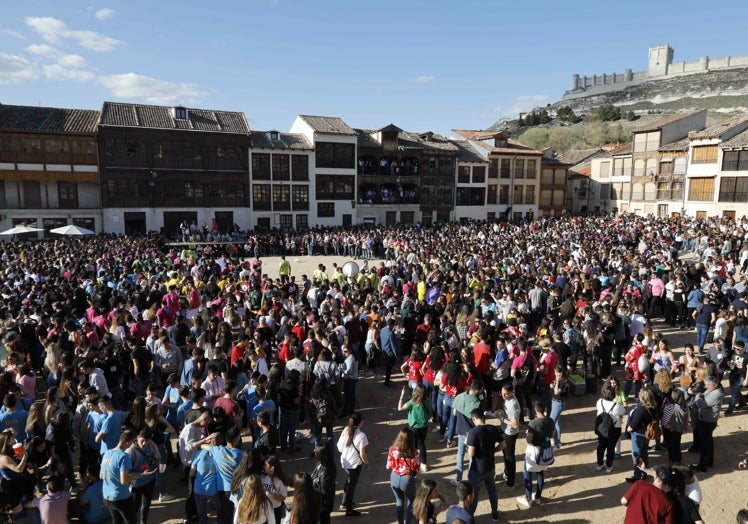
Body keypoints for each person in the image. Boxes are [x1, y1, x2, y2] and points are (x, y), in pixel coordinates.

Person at [102, 430, 154, 524]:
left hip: (107, 497)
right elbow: (124, 480)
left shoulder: (107, 453)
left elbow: (101, 475)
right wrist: (141, 475)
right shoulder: (123, 456)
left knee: (117, 521)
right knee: (131, 521)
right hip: (121, 497)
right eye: (132, 442)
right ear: (127, 442)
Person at [466, 409, 504, 521]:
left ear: (474, 419)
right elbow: (503, 444)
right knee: (492, 490)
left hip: (476, 469)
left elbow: (471, 453)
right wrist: (494, 450)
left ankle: (470, 516)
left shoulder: (473, 433)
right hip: (490, 466)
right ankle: (495, 513)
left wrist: (467, 444)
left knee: (474, 494)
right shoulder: (493, 429)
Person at [518, 400, 554, 508]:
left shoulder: (533, 423)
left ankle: (528, 498)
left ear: (535, 410)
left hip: (533, 451)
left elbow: (529, 440)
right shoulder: (550, 421)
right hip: (544, 450)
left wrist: (526, 434)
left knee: (527, 473)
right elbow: (552, 435)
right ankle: (538, 497)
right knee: (540, 473)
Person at [336, 412, 369, 517]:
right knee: (351, 486)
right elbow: (363, 454)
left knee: (349, 481)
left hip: (345, 462)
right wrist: (367, 463)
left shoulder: (346, 430)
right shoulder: (361, 436)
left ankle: (345, 502)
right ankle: (349, 509)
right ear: (360, 423)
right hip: (354, 465)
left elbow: (339, 447)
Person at [126, 428, 161, 524]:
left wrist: (154, 464)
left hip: (149, 480)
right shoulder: (130, 451)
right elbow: (127, 473)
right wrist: (141, 475)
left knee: (146, 505)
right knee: (135, 507)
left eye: (147, 441)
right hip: (136, 484)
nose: (144, 443)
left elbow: (158, 459)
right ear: (137, 437)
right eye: (142, 441)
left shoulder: (152, 445)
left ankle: (143, 521)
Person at [386, 427, 421, 524]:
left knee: (399, 501)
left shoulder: (392, 450)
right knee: (411, 501)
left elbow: (388, 465)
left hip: (394, 477)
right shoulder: (414, 453)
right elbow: (417, 468)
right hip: (406, 479)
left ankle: (400, 522)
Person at [691, 375, 724, 472]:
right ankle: (709, 462)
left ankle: (702, 466)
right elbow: (704, 398)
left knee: (704, 444)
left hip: (707, 421)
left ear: (714, 385)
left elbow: (701, 403)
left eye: (708, 385)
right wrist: (702, 402)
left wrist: (698, 396)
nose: (706, 387)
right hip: (708, 419)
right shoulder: (712, 390)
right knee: (708, 441)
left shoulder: (716, 394)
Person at [625, 388, 659, 483]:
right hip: (647, 434)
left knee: (636, 455)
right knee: (644, 453)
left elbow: (634, 424)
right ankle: (644, 473)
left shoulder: (641, 409)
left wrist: (628, 429)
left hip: (638, 434)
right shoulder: (654, 406)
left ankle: (637, 475)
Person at [397, 383, 431, 472]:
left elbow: (400, 408)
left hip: (413, 427)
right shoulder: (427, 400)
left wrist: (402, 395)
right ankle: (424, 465)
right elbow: (430, 412)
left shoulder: (412, 401)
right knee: (422, 444)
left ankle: (413, 465)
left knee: (413, 446)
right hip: (424, 426)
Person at [595, 381, 626, 473]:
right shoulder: (617, 406)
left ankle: (599, 464)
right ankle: (609, 466)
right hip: (614, 429)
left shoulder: (599, 402)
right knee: (611, 447)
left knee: (601, 446)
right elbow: (623, 411)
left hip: (601, 427)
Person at [311, 441, 337, 524]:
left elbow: (324, 493)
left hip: (323, 504)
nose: (314, 450)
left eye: (316, 450)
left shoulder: (326, 473)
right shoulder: (322, 464)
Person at [549, 364, 570, 449]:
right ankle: (558, 441)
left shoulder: (564, 382)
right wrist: (553, 385)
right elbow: (555, 389)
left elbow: (556, 392)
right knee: (557, 422)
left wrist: (556, 382)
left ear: (560, 373)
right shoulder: (561, 380)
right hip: (555, 402)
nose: (555, 374)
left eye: (556, 373)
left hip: (558, 403)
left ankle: (555, 443)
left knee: (551, 422)